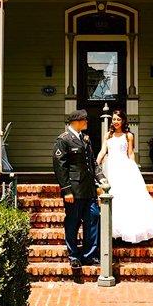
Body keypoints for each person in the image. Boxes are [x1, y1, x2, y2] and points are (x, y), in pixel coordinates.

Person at [97, 109, 153, 243]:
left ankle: (127, 228)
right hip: (111, 168)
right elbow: (103, 150)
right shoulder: (108, 135)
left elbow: (130, 153)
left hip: (124, 167)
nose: (116, 122)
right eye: (114, 119)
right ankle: (112, 228)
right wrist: (96, 163)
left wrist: (133, 167)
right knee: (112, 194)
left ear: (123, 120)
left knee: (126, 196)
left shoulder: (128, 135)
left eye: (118, 119)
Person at [53, 109, 105, 268]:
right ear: (76, 121)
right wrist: (66, 190)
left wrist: (102, 180)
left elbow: (93, 163)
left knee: (93, 217)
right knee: (73, 222)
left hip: (89, 189)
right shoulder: (63, 140)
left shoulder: (86, 139)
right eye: (85, 120)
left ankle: (89, 255)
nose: (87, 122)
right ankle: (74, 256)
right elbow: (60, 167)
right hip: (74, 190)